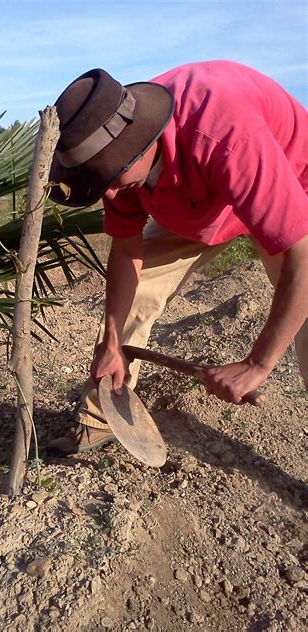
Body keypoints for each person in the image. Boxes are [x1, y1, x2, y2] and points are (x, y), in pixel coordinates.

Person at [47, 61, 308, 454]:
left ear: (141, 142)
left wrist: (257, 364)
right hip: (197, 197)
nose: (111, 194)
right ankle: (103, 415)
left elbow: (302, 260)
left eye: (112, 177)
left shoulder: (227, 135)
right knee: (136, 292)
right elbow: (126, 250)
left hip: (288, 184)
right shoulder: (112, 153)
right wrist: (113, 342)